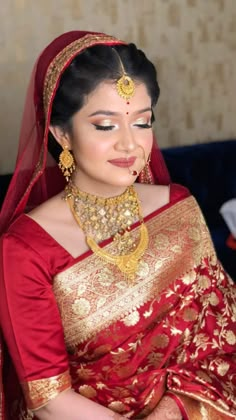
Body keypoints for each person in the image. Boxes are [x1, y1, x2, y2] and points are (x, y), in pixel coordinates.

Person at [0, 30, 235, 420]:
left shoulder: (177, 206)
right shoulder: (25, 248)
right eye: (106, 126)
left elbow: (219, 338)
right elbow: (48, 399)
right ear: (62, 134)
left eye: (142, 123)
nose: (130, 145)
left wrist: (172, 412)